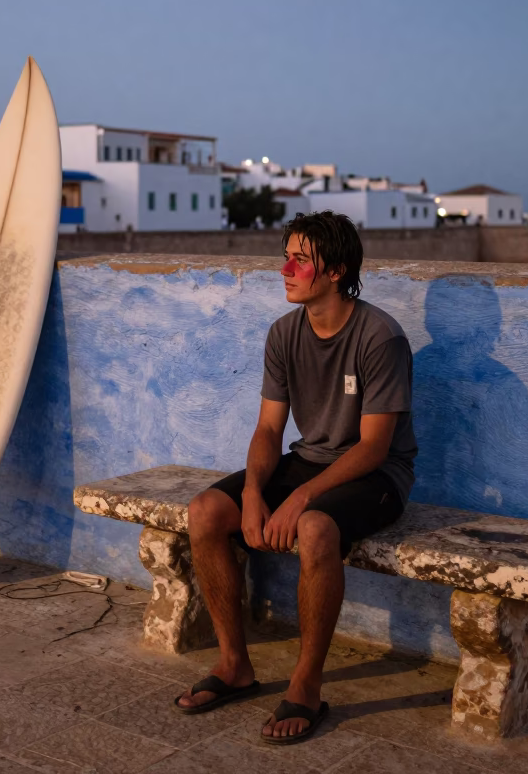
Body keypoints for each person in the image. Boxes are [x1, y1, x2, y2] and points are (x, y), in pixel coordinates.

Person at [174, 211, 417, 745]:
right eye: (286, 256)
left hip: (376, 475)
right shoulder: (284, 333)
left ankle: (306, 686)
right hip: (308, 461)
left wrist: (303, 497)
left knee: (313, 528)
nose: (285, 269)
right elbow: (268, 428)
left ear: (336, 270)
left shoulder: (380, 337)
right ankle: (235, 665)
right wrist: (256, 493)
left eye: (300, 259)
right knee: (206, 512)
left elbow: (375, 446)